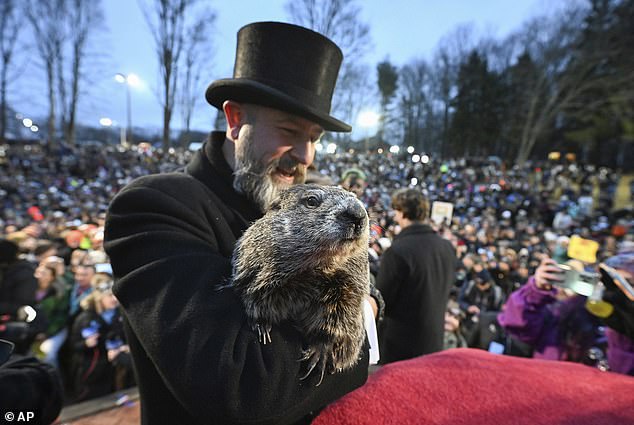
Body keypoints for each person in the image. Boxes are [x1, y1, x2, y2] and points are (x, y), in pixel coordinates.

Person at [104, 22, 372, 425]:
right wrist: (364, 321)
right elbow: (241, 389)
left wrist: (364, 305)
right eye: (288, 131)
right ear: (234, 120)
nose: (306, 156)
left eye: (314, 137)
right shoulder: (153, 205)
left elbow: (365, 282)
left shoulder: (306, 197)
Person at [498, 253, 634, 375]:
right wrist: (535, 292)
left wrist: (624, 331)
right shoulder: (565, 313)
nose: (616, 291)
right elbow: (518, 325)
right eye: (610, 282)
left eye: (627, 284)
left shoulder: (624, 332)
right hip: (549, 392)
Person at [375, 188, 456, 363]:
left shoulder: (397, 251)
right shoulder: (447, 248)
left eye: (396, 212)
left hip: (400, 348)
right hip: (433, 343)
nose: (395, 217)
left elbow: (382, 301)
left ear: (402, 212)